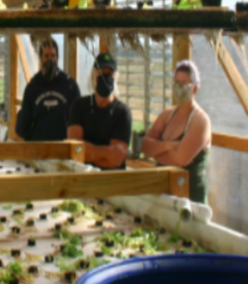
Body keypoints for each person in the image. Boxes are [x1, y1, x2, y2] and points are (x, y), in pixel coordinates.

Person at [141, 60, 211, 204]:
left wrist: (157, 150)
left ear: (195, 88)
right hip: (164, 194)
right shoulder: (167, 114)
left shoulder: (200, 120)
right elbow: (145, 147)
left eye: (184, 84)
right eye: (177, 83)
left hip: (190, 200)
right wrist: (170, 146)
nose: (180, 88)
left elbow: (180, 160)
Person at [67, 53, 132, 170]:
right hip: (82, 179)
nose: (106, 77)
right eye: (101, 73)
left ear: (116, 78)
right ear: (93, 76)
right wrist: (107, 152)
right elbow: (73, 150)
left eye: (110, 74)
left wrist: (87, 152)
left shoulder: (123, 112)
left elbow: (115, 160)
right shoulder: (79, 106)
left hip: (111, 180)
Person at [16, 39, 80, 141]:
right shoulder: (32, 87)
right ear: (41, 58)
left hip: (64, 150)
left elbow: (78, 120)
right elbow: (25, 125)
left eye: (53, 56)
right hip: (39, 149)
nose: (50, 59)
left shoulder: (70, 86)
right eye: (46, 56)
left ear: (57, 58)